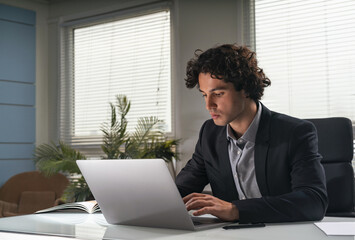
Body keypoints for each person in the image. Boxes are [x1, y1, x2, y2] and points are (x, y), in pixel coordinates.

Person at [175, 44, 328, 224]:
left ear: (246, 89)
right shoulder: (210, 133)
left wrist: (235, 210)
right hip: (231, 235)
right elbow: (182, 188)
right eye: (204, 95)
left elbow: (314, 201)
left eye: (218, 93)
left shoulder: (295, 132)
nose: (209, 105)